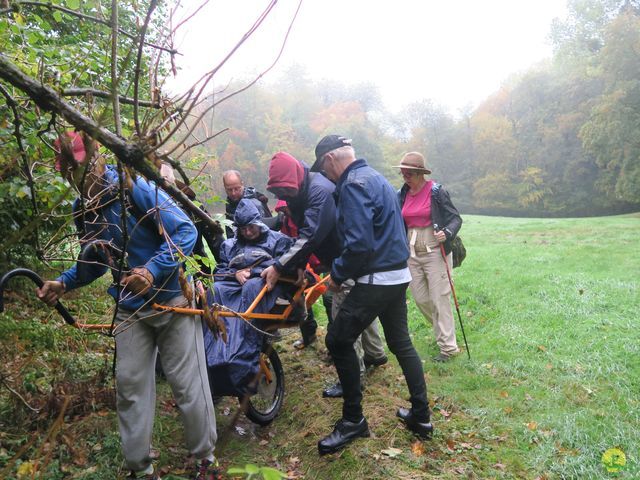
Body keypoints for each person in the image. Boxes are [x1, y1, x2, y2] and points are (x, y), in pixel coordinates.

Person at [36, 132, 219, 480]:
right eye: (72, 172)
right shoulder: (82, 209)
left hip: (172, 302)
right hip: (130, 309)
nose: (80, 176)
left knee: (187, 386)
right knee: (130, 386)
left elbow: (184, 233)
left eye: (84, 167)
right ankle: (141, 468)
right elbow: (95, 261)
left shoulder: (133, 188)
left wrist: (151, 270)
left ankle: (205, 461)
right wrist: (64, 282)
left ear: (98, 160)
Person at [310, 135, 433, 455]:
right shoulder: (376, 177)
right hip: (399, 274)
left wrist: (336, 275)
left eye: (324, 170)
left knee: (337, 340)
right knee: (401, 343)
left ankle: (353, 420)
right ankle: (421, 416)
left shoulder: (352, 185)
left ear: (330, 160)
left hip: (377, 278)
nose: (326, 177)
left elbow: (360, 244)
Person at [260, 152, 387, 395]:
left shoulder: (318, 191)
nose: (283, 197)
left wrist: (278, 266)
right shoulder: (302, 189)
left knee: (343, 315)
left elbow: (310, 235)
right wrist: (299, 265)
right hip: (346, 256)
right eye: (279, 193)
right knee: (361, 308)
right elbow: (307, 235)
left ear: (295, 179)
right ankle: (376, 354)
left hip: (348, 257)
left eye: (285, 191)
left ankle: (353, 377)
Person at [204, 199, 295, 396]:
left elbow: (289, 263)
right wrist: (234, 273)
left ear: (259, 222)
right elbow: (220, 271)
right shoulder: (230, 245)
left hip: (265, 287)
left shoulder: (278, 240)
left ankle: (245, 358)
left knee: (252, 286)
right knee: (214, 290)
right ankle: (213, 354)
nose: (247, 232)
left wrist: (259, 271)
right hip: (235, 286)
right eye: (243, 229)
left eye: (251, 227)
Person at [395, 152, 462, 362]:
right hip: (411, 251)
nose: (405, 176)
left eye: (409, 173)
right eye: (403, 173)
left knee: (439, 298)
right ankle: (443, 330)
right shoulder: (402, 194)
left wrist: (447, 233)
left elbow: (455, 219)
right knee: (421, 298)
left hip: (435, 250)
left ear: (420, 173)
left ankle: (449, 348)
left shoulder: (436, 191)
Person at [222, 170, 272, 239]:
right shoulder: (229, 205)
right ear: (225, 188)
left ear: (242, 184)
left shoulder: (256, 203)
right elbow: (230, 235)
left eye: (237, 189)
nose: (233, 193)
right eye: (230, 190)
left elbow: (269, 230)